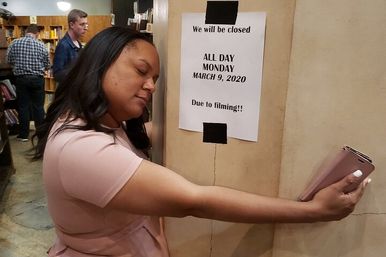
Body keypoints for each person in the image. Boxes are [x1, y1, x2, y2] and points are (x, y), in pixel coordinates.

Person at [33, 26, 370, 257]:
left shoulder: (100, 125)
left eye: (155, 78)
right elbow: (194, 201)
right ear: (99, 65)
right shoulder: (82, 150)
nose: (151, 85)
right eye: (141, 70)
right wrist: (312, 211)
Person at [7, 24, 50, 142]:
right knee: (39, 107)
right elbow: (47, 65)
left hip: (21, 79)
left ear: (26, 32)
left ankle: (23, 135)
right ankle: (40, 134)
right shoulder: (41, 45)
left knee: (23, 107)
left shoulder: (14, 43)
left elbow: (9, 60)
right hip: (37, 79)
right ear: (37, 33)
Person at [52, 9, 88, 84]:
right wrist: (78, 73)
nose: (86, 28)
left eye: (86, 24)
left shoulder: (78, 44)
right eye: (82, 24)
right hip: (67, 92)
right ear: (71, 25)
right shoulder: (63, 45)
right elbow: (57, 74)